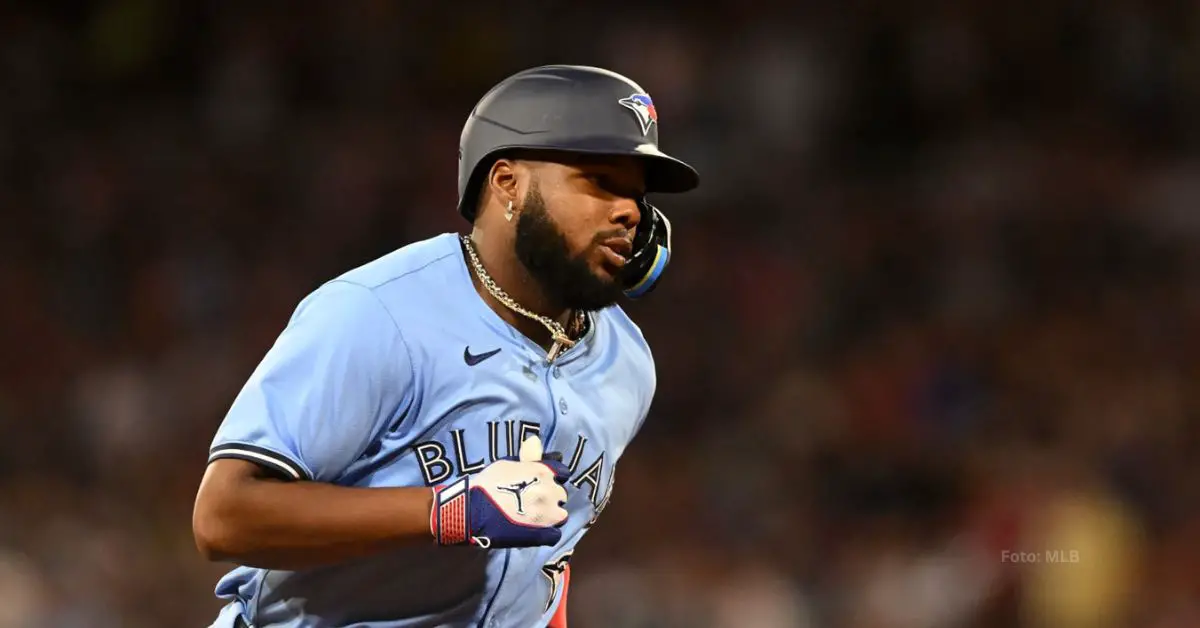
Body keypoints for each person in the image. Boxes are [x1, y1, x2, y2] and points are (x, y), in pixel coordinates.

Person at [192, 64, 699, 628]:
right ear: (507, 183)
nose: (631, 211)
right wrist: (448, 511)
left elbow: (547, 562)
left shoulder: (626, 364)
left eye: (637, 194)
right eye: (600, 181)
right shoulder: (379, 313)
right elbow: (224, 518)